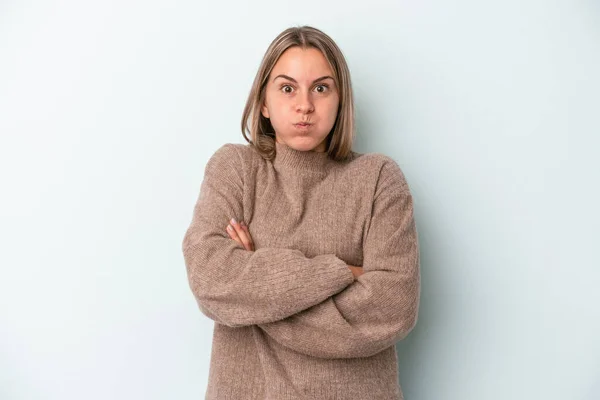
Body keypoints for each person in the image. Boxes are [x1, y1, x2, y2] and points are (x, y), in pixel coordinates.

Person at [182, 25, 420, 400]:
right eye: (287, 87)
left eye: (321, 88)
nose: (304, 105)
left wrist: (257, 281)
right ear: (263, 101)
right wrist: (342, 272)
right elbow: (210, 279)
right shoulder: (235, 168)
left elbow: (393, 306)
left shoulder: (378, 179)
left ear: (341, 99)